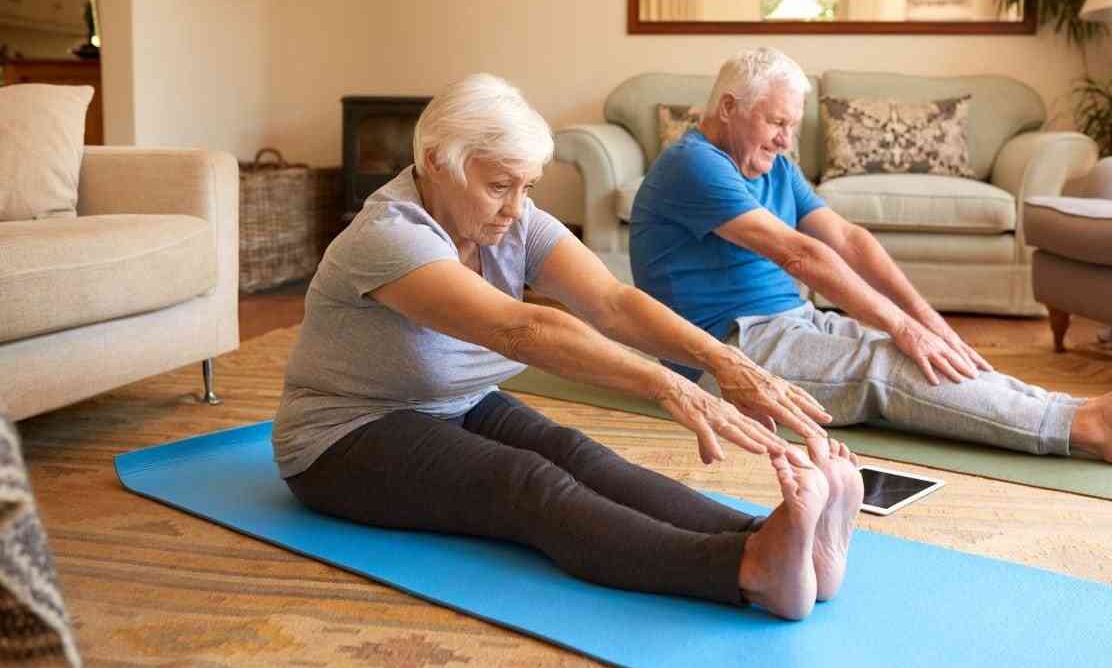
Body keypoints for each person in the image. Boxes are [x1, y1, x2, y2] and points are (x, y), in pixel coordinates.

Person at [272, 73, 863, 621]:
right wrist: (669, 384)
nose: (514, 207)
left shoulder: (515, 219)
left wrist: (723, 361)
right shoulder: (390, 236)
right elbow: (521, 329)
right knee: (526, 483)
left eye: (526, 186)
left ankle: (779, 541)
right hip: (344, 436)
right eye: (498, 185)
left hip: (452, 403)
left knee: (578, 455)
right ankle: (751, 571)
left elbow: (611, 302)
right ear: (434, 162)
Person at [629, 47, 1112, 467]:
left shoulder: (772, 166)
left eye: (792, 127)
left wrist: (926, 322)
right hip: (726, 352)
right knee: (884, 367)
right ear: (728, 108)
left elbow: (848, 239)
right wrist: (903, 328)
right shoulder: (693, 165)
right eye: (776, 123)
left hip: (789, 324)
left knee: (911, 349)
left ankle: (1092, 413)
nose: (785, 141)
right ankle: (1090, 429)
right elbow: (800, 255)